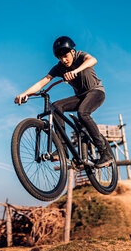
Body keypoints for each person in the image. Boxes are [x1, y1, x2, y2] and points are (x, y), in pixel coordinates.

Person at [14, 36, 113, 168]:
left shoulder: (80, 56)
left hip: (96, 92)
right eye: (60, 58)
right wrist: (25, 93)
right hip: (80, 97)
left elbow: (93, 60)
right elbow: (43, 82)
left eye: (65, 56)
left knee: (82, 113)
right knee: (55, 107)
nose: (63, 60)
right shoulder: (59, 68)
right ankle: (63, 149)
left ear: (72, 51)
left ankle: (105, 152)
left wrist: (76, 71)